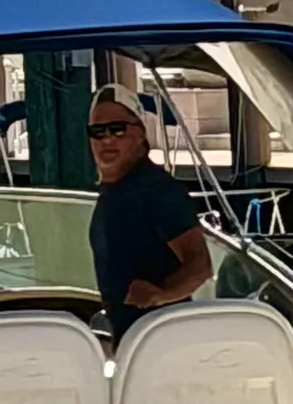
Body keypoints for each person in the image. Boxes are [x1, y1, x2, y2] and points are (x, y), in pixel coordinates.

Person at [85, 83, 213, 339]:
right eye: (97, 131)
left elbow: (201, 266)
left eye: (118, 129)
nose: (107, 138)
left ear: (140, 134)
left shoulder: (155, 190)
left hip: (164, 342)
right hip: (133, 341)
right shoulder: (113, 190)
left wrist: (162, 294)